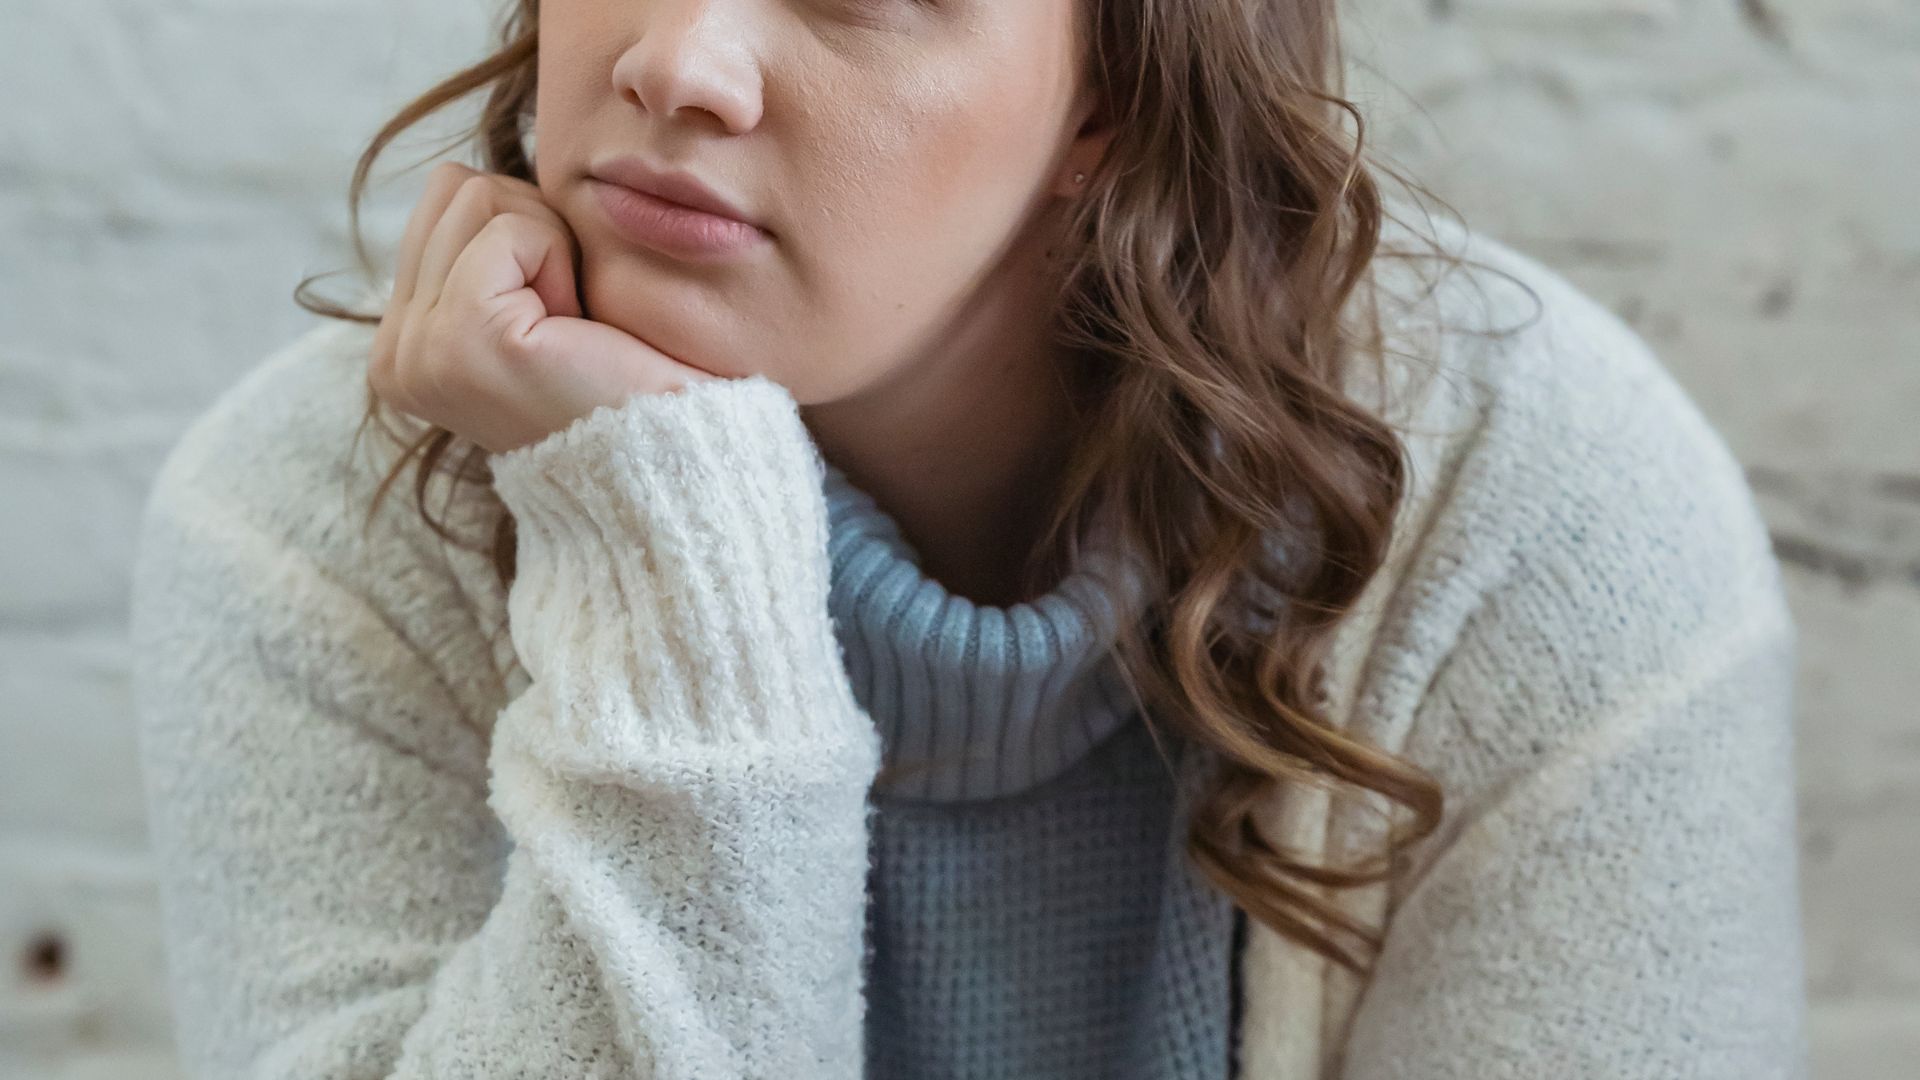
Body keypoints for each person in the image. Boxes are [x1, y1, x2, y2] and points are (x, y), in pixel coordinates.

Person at [127, 0, 1810, 1077]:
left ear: (1113, 105)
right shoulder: (315, 523)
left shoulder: (1533, 519)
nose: (675, 57)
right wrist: (664, 551)